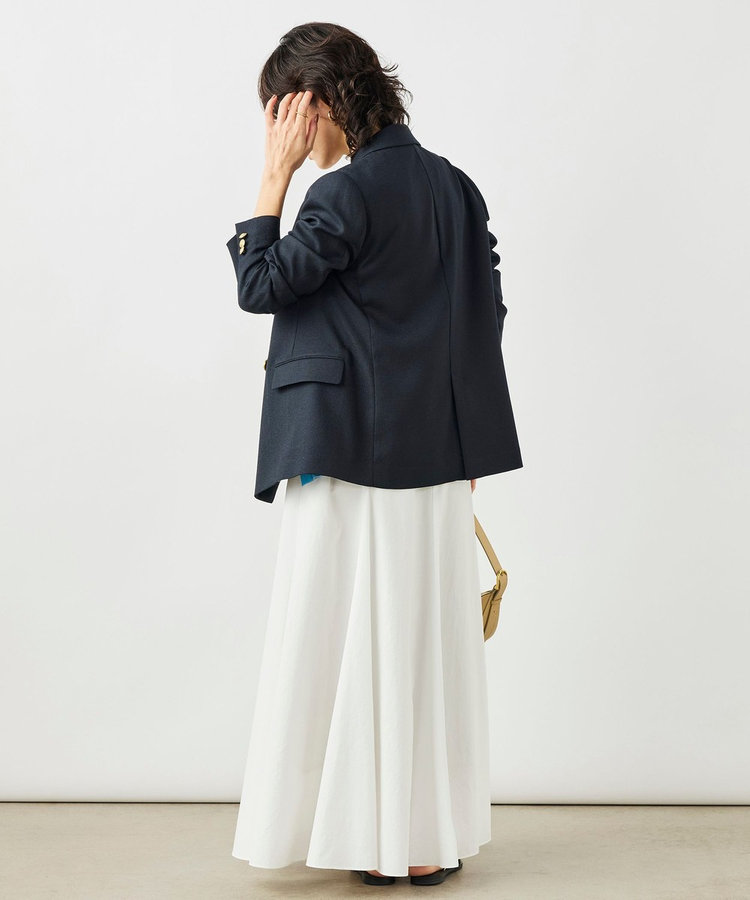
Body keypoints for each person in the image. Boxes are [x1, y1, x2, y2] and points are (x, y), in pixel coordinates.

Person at [226, 22, 523, 888]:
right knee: (421, 642)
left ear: (311, 104)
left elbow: (261, 286)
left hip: (347, 451)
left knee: (344, 637)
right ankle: (423, 839)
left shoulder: (341, 193)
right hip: (438, 455)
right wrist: (463, 430)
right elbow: (487, 311)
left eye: (280, 116)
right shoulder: (454, 186)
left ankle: (371, 839)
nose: (282, 134)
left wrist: (273, 178)